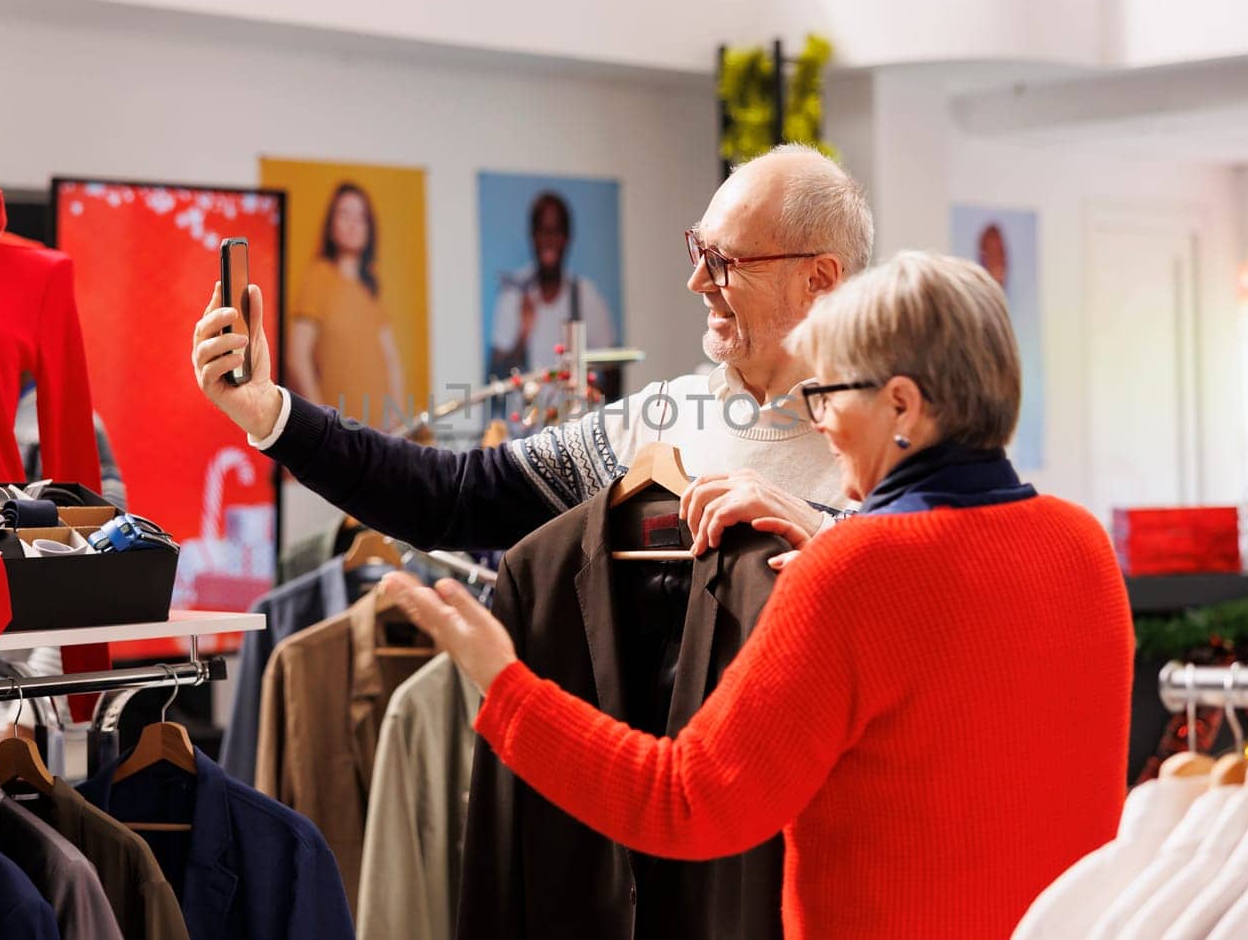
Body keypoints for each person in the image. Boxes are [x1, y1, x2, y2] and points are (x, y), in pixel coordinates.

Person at [378, 251, 1134, 940]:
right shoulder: (1083, 546)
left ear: (902, 407)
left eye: (828, 393)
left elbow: (687, 803)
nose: (821, 422)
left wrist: (505, 687)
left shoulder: (852, 573)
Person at [193, 144, 873, 553]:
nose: (697, 280)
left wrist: (823, 537)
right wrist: (271, 414)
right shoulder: (657, 424)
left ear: (818, 280)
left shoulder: (895, 453)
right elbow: (450, 497)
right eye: (699, 250)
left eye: (726, 261)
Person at [288, 182, 405, 431]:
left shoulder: (371, 289)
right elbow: (297, 356)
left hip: (382, 436)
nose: (353, 224)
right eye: (344, 214)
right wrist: (322, 423)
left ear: (369, 228)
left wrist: (397, 418)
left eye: (360, 217)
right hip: (339, 436)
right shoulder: (318, 277)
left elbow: (392, 362)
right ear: (331, 226)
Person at [487, 190, 617, 377]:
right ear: (533, 236)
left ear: (567, 238)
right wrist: (523, 335)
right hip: (526, 406)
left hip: (577, 406)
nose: (549, 240)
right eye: (543, 231)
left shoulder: (584, 295)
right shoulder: (514, 294)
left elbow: (614, 375)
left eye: (556, 232)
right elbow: (494, 378)